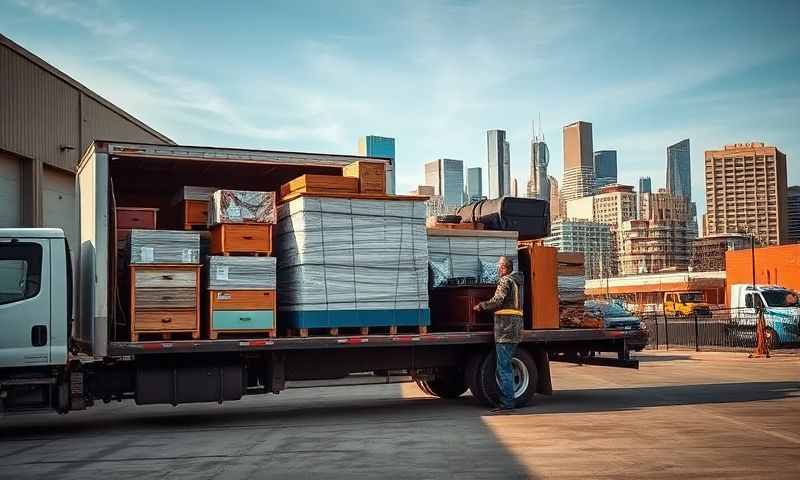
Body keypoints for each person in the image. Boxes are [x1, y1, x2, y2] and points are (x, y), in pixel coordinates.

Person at [474, 256, 524, 412]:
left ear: (504, 268)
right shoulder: (518, 281)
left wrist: (481, 306)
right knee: (506, 365)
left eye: (499, 266)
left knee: (504, 367)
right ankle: (508, 400)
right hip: (515, 328)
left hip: (505, 329)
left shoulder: (505, 281)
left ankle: (507, 402)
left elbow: (497, 301)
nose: (497, 268)